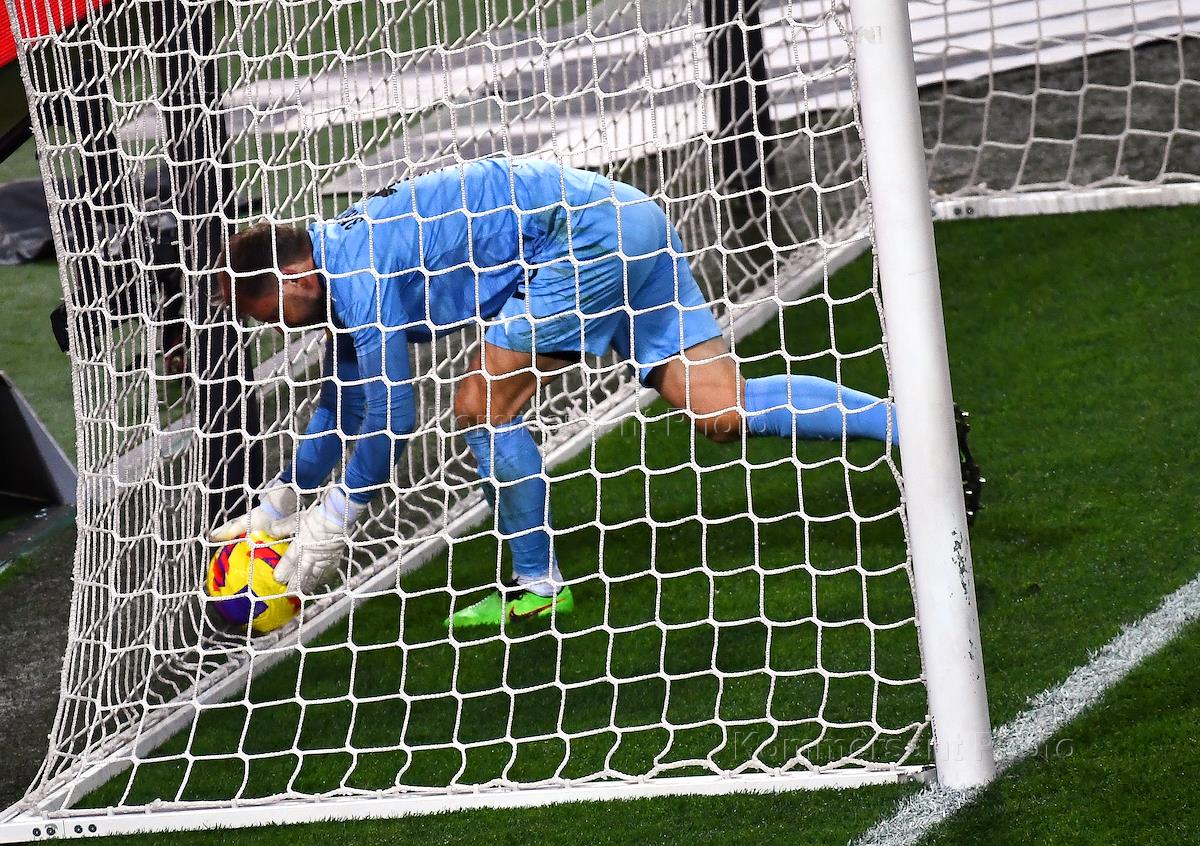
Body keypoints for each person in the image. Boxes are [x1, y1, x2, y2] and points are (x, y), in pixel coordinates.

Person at [210, 157, 973, 628]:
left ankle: (538, 587)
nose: (277, 330)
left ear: (296, 279)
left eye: (271, 316)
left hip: (578, 241)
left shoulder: (358, 270)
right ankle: (920, 427)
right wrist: (283, 501)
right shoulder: (337, 267)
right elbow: (344, 399)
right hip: (625, 218)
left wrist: (337, 518)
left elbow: (391, 416)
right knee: (722, 411)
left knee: (481, 406)